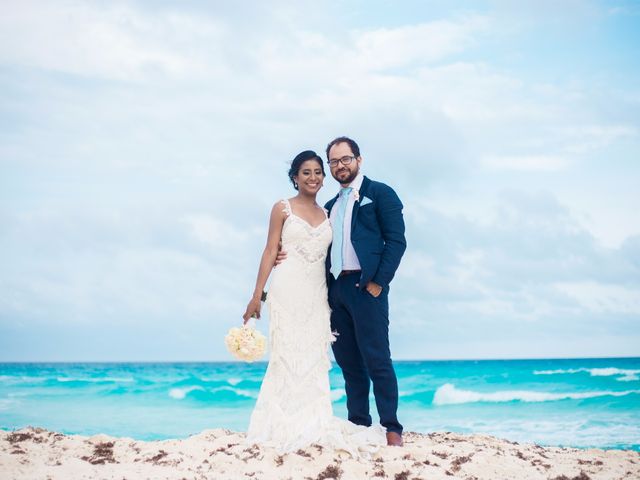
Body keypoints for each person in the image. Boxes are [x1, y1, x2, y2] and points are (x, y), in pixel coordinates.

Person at [242, 150, 386, 457]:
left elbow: (340, 252)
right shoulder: (282, 208)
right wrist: (258, 295)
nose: (313, 177)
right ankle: (281, 423)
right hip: (287, 288)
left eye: (318, 172)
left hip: (318, 293)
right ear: (295, 177)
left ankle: (313, 420)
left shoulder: (329, 212)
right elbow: (270, 251)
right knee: (286, 354)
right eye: (306, 172)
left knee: (313, 356)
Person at [275, 137, 407, 447]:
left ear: (359, 160)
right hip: (337, 290)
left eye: (345, 159)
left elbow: (396, 242)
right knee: (349, 362)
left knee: (377, 359)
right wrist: (285, 253)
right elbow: (315, 245)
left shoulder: (380, 194)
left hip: (367, 287)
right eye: (334, 162)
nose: (340, 166)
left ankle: (392, 427)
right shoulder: (330, 207)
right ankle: (359, 422)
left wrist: (379, 282)